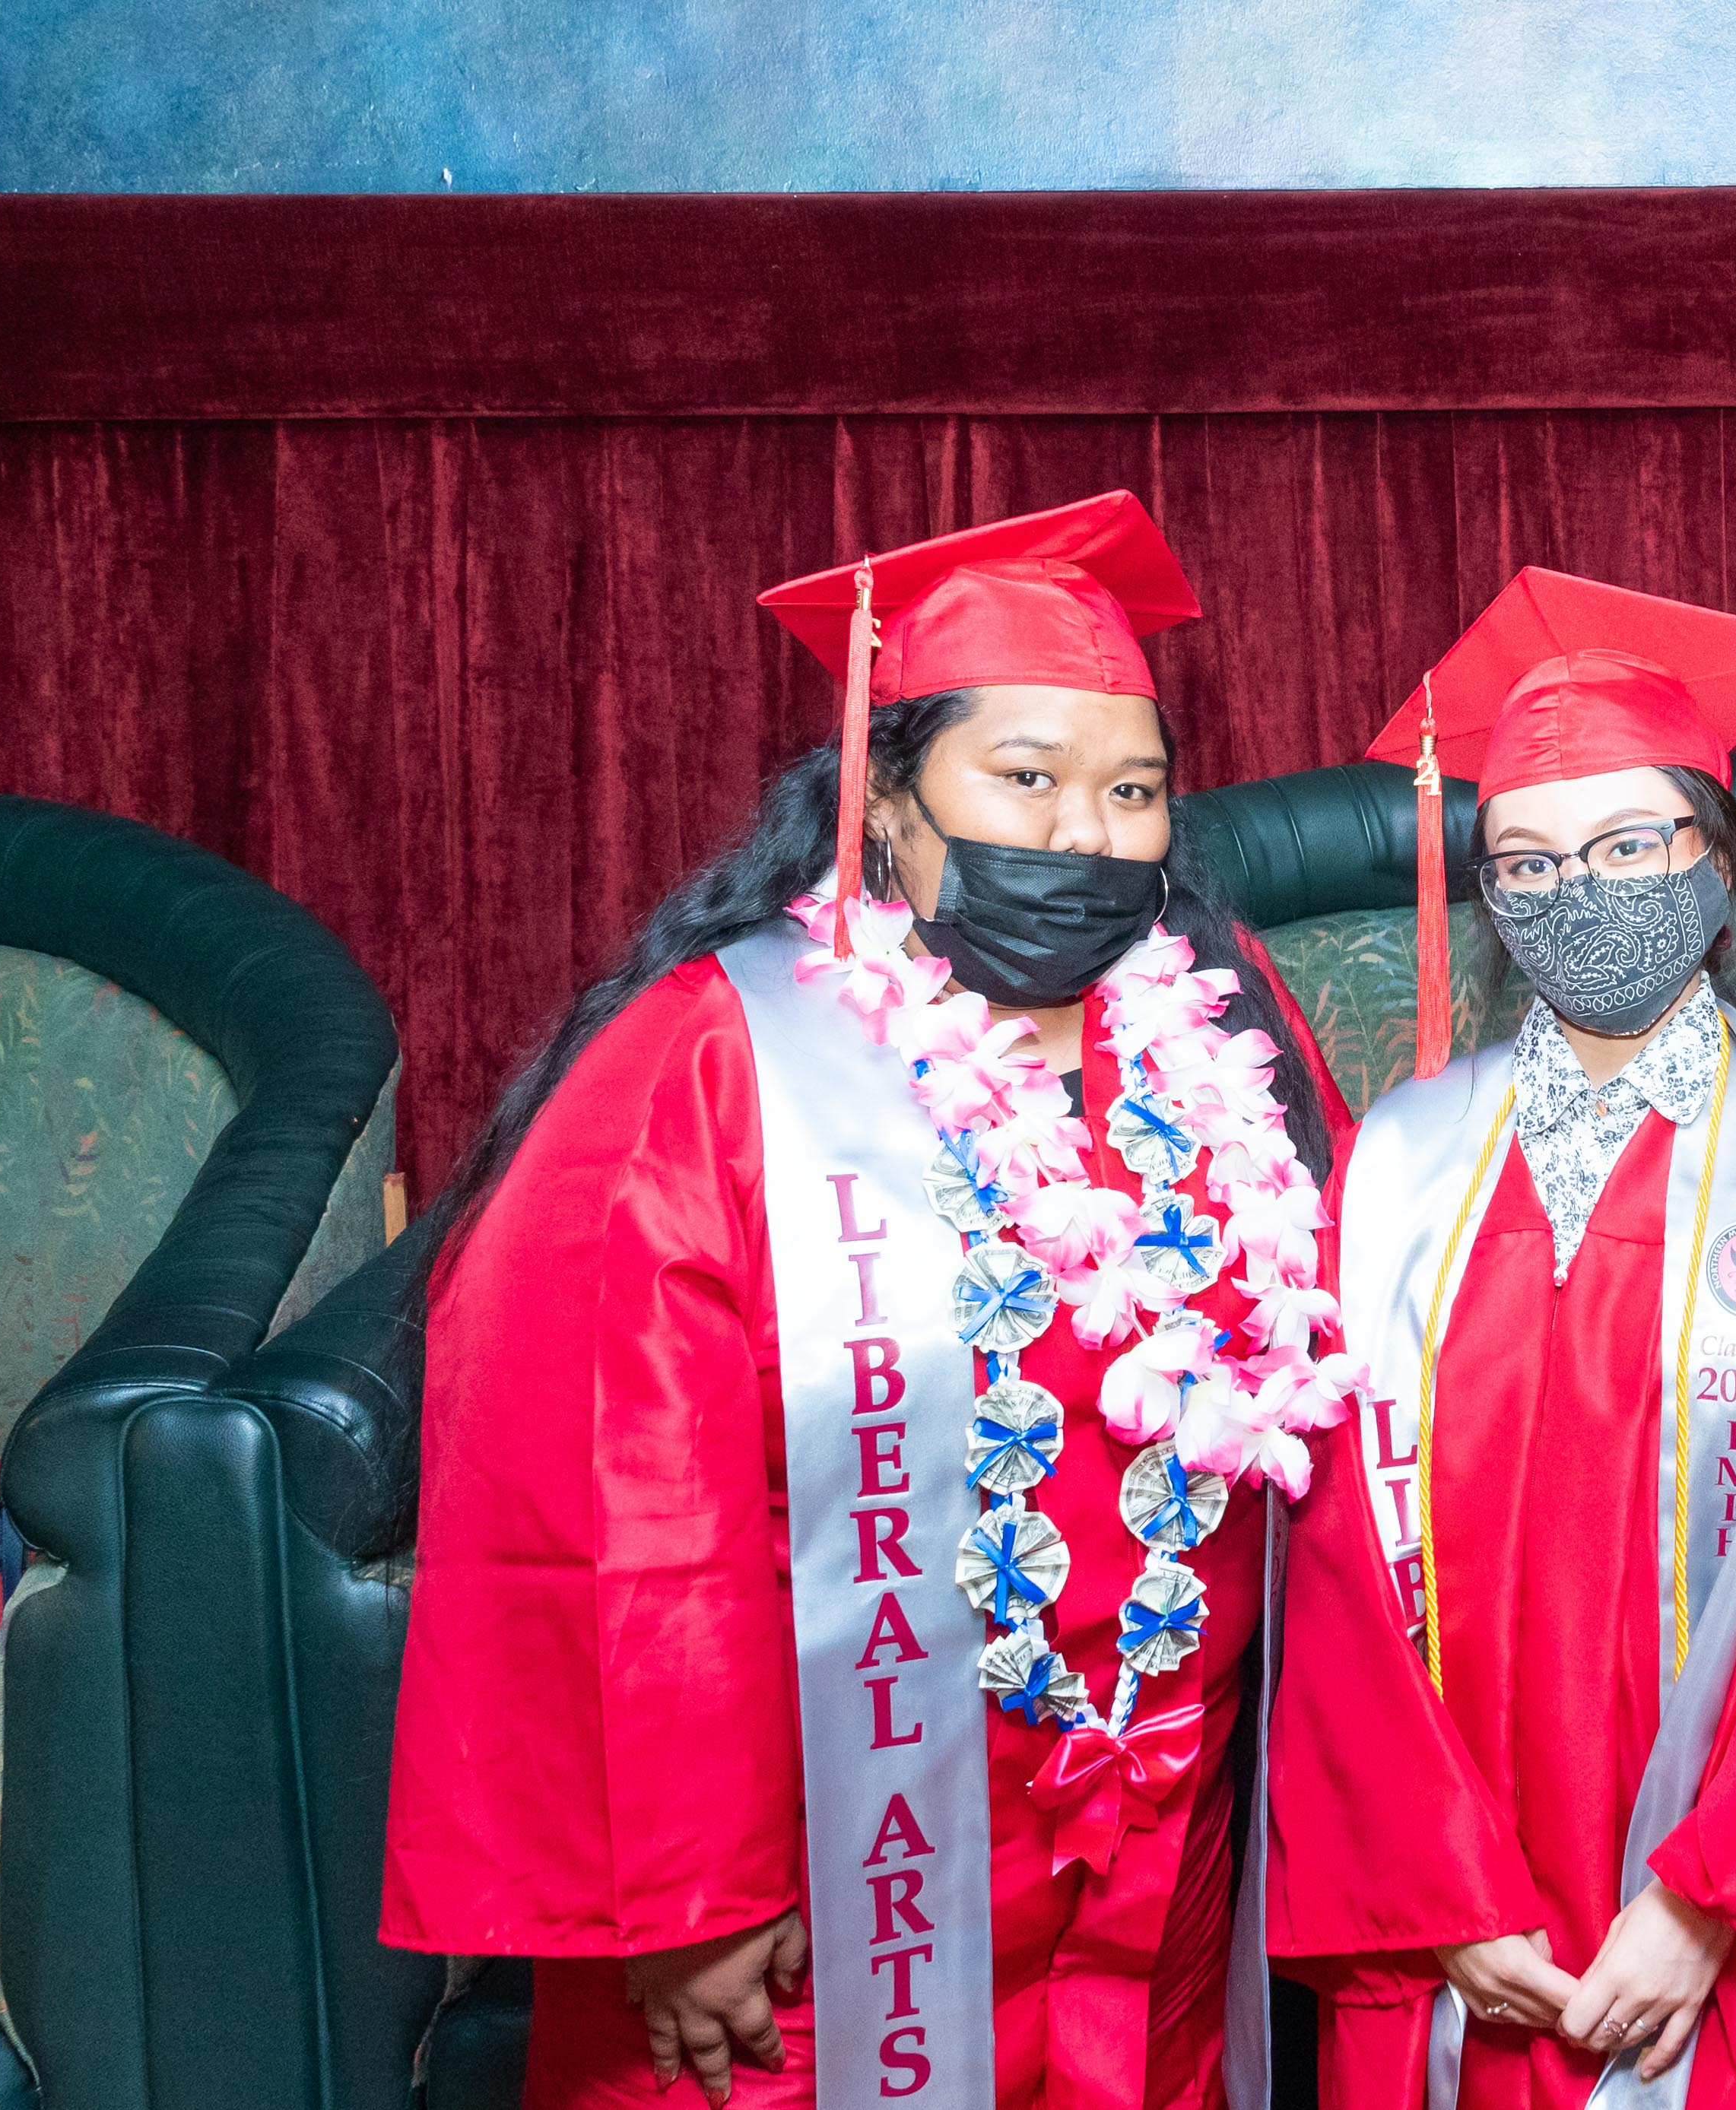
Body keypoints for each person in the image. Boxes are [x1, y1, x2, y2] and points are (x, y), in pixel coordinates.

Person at [382, 491, 1368, 2109]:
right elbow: (613, 1506)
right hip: (830, 1881)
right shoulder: (724, 1059)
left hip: (1152, 1865)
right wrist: (687, 1895)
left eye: (1132, 790)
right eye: (1026, 777)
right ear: (886, 801)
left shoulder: (1230, 1043)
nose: (1083, 832)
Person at [1267, 569, 1736, 2107]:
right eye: (1527, 861)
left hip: (1732, 1926)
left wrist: (1709, 1895)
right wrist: (1444, 1895)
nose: (1577, 891)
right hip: (1455, 1917)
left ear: (1718, 861)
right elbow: (1329, 1563)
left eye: (1628, 845)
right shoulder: (1396, 1164)